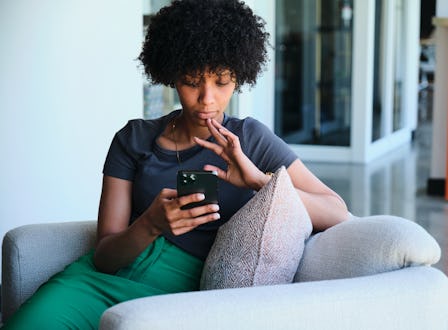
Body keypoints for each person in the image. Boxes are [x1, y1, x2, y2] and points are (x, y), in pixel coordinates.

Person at [2, 0, 348, 328]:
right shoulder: (133, 139)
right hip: (97, 283)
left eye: (221, 81)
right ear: (171, 76)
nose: (207, 99)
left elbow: (337, 211)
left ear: (239, 78)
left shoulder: (251, 139)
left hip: (178, 297)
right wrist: (150, 224)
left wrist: (259, 179)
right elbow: (104, 257)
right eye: (192, 82)